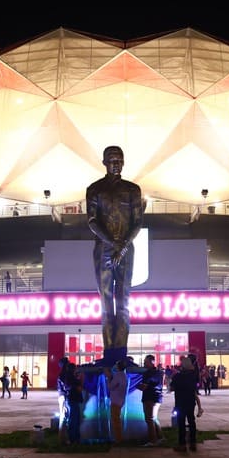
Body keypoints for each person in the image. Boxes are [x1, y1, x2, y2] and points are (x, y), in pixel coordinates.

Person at [86, 145, 144, 365]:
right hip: (103, 248)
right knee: (105, 300)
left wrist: (123, 246)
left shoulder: (132, 189)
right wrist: (113, 243)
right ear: (104, 163)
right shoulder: (95, 189)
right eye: (112, 160)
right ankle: (109, 351)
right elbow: (92, 220)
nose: (116, 164)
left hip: (126, 249)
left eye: (119, 160)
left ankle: (120, 350)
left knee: (124, 300)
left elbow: (137, 222)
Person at [170, 355, 199, 452]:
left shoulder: (177, 376)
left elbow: (172, 387)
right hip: (190, 401)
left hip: (180, 402)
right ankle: (193, 443)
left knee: (181, 423)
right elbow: (196, 387)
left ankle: (182, 444)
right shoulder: (193, 376)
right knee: (191, 422)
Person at [137, 354, 164, 446]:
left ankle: (153, 440)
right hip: (157, 397)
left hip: (149, 398)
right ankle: (160, 437)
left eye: (146, 362)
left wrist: (135, 386)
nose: (144, 363)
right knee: (154, 418)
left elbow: (144, 386)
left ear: (152, 362)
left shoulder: (148, 373)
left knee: (149, 419)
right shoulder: (159, 372)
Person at [105, 359, 128, 443]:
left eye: (116, 364)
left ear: (118, 366)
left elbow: (111, 387)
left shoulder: (118, 376)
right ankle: (119, 438)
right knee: (117, 419)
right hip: (120, 400)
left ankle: (118, 439)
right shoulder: (124, 375)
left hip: (115, 400)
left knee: (115, 420)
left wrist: (108, 378)